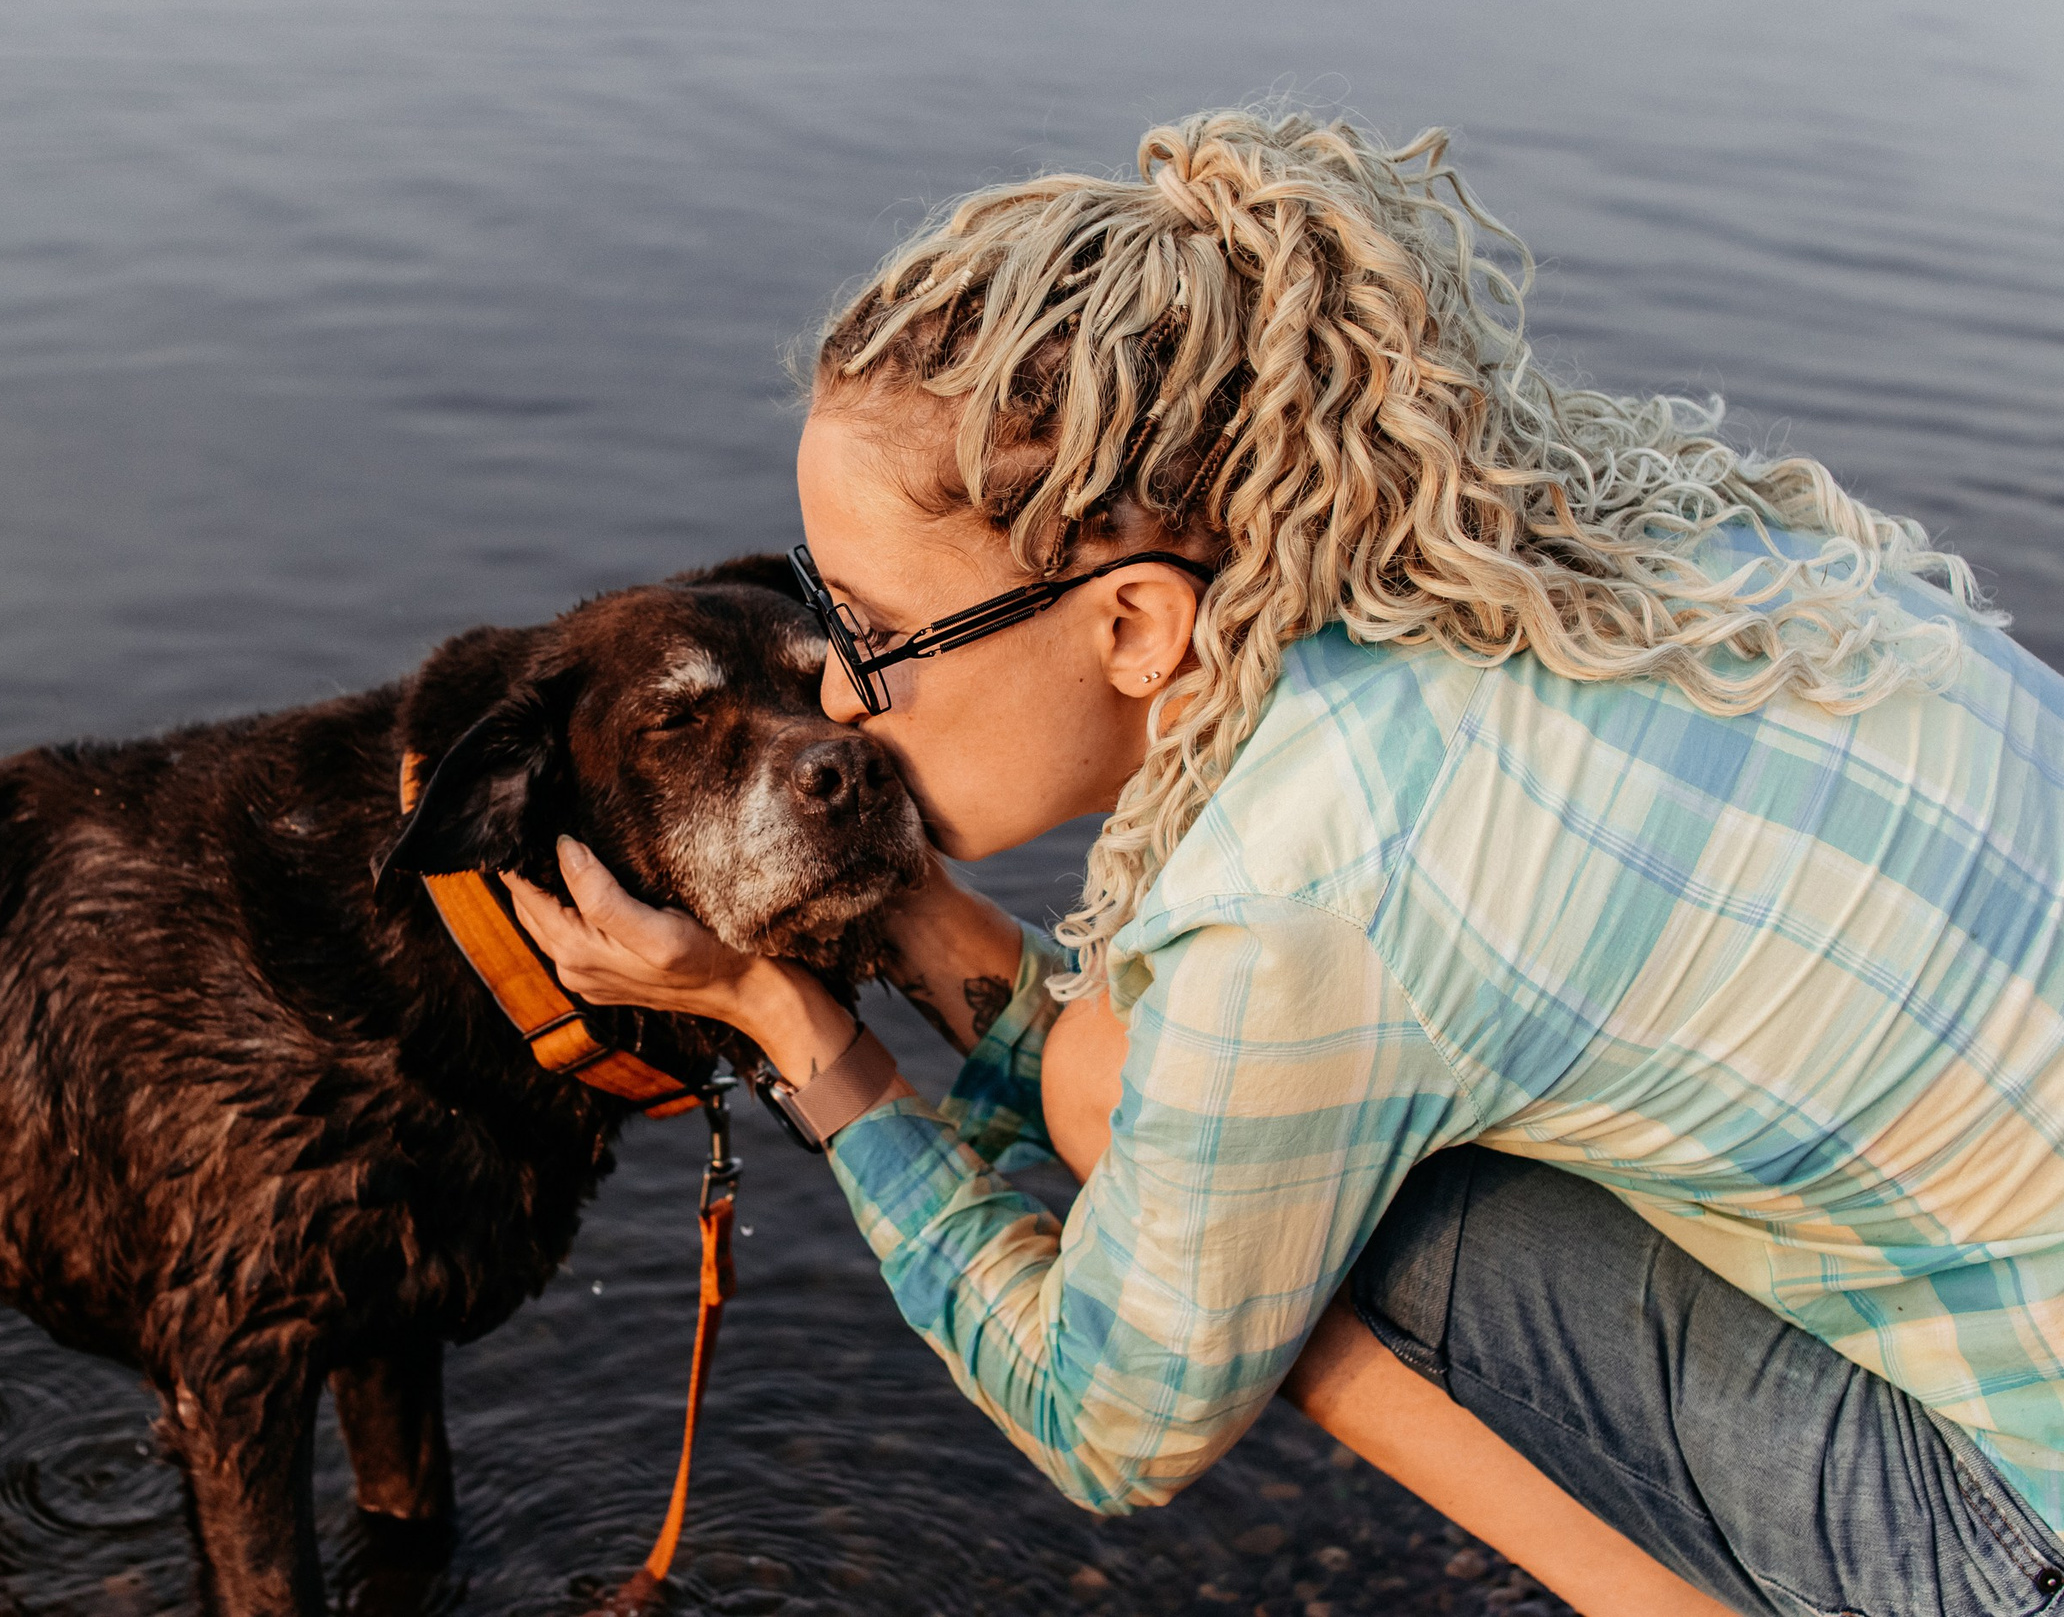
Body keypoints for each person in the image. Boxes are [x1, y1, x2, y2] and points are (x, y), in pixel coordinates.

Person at [502, 107, 2064, 1617]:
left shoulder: (1308, 878)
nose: (838, 695)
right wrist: (908, 909)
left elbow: (1101, 1420)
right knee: (1170, 1104)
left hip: (2020, 1539)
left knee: (1237, 1216)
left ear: (1133, 624)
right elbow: (1215, 1067)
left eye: (878, 634)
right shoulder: (1574, 546)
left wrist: (799, 1037)